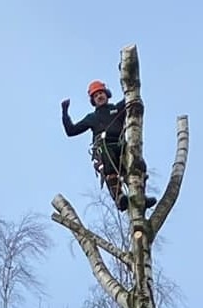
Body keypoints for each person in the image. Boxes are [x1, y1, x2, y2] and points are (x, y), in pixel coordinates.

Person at [61, 80, 157, 212]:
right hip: (105, 147)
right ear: (93, 100)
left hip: (121, 145)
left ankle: (140, 197)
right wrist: (65, 112)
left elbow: (132, 97)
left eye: (101, 93)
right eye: (96, 95)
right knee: (109, 165)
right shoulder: (92, 117)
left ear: (106, 94)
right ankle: (119, 197)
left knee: (137, 164)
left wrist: (127, 77)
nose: (99, 96)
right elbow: (71, 131)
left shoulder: (116, 109)